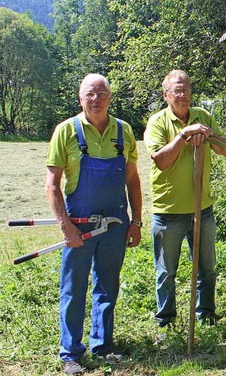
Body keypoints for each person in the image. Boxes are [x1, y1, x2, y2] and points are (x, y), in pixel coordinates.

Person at [46, 74, 142, 375]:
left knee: (107, 285)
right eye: (90, 94)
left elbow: (133, 180)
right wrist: (66, 227)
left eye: (102, 93)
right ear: (80, 98)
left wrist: (136, 221)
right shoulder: (66, 132)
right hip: (79, 224)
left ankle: (103, 346)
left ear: (109, 97)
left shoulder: (123, 132)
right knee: (73, 288)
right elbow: (52, 185)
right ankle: (70, 353)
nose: (96, 99)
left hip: (115, 223)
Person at [144, 69, 226, 329]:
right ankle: (166, 321)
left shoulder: (202, 116)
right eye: (177, 90)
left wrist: (209, 135)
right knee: (166, 272)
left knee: (207, 268)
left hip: (201, 208)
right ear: (166, 95)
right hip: (168, 211)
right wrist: (183, 136)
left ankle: (206, 315)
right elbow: (161, 160)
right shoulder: (158, 122)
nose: (183, 95)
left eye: (186, 89)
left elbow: (225, 149)